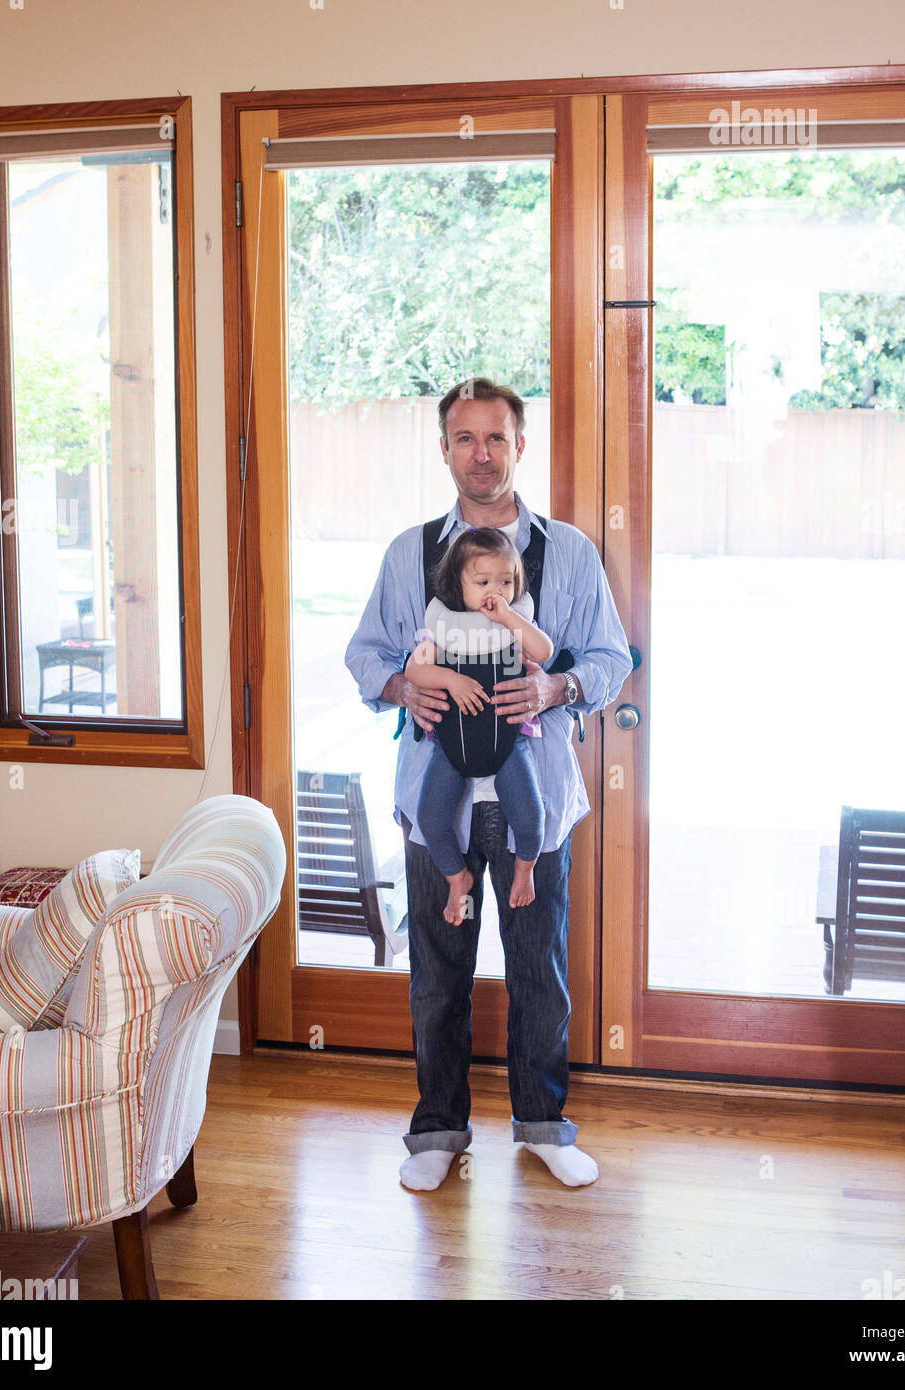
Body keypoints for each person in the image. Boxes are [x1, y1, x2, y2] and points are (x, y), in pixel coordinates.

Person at [345, 376, 632, 1191]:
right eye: (464, 438)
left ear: (519, 445)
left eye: (495, 438)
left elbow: (611, 659)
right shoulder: (409, 553)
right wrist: (406, 685)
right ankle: (437, 1132)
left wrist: (556, 688)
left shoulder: (569, 552)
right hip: (434, 802)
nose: (480, 453)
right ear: (443, 449)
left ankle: (543, 1125)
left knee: (538, 968)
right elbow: (364, 655)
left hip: (532, 798)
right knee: (438, 975)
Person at [407, 525, 554, 924]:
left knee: (529, 817)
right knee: (430, 819)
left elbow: (543, 651)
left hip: (508, 745)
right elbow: (414, 670)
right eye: (483, 581)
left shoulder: (512, 623)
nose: (496, 590)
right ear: (458, 582)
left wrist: (508, 617)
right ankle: (458, 879)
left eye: (506, 581)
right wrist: (450, 679)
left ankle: (525, 870)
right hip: (451, 748)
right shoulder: (442, 627)